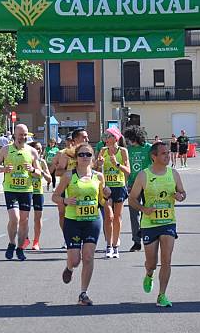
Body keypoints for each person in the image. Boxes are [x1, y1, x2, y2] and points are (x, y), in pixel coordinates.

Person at [129, 142, 187, 307]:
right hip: (149, 224)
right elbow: (132, 199)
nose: (167, 156)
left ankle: (162, 295)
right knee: (152, 262)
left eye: (168, 153)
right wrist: (143, 209)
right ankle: (149, 274)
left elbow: (183, 193)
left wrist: (180, 196)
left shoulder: (173, 174)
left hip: (168, 222)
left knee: (166, 259)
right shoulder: (143, 175)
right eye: (163, 153)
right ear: (153, 156)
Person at [52, 143, 110, 306]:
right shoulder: (69, 176)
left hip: (92, 220)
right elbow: (55, 196)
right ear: (76, 158)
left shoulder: (98, 177)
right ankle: (69, 268)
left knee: (88, 257)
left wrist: (106, 194)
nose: (85, 158)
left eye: (88, 155)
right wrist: (65, 200)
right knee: (75, 260)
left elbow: (102, 201)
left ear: (93, 158)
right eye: (82, 155)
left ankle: (83, 293)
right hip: (73, 221)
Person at [0, 123, 41, 261]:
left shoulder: (32, 151)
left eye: (25, 135)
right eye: (20, 135)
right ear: (14, 135)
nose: (23, 137)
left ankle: (20, 248)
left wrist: (32, 170)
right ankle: (12, 243)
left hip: (26, 190)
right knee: (15, 218)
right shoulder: (6, 150)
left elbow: (39, 173)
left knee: (24, 221)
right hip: (11, 189)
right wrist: (4, 169)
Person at [97, 128, 130, 258]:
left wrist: (116, 164)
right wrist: (99, 164)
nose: (105, 138)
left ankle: (116, 245)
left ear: (115, 138)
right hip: (107, 188)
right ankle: (109, 245)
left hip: (119, 187)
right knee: (108, 216)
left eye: (108, 136)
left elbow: (128, 170)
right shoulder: (103, 150)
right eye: (105, 136)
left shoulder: (122, 151)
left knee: (117, 217)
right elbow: (96, 168)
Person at [124, 126, 152, 252]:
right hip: (132, 185)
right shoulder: (128, 150)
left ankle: (146, 233)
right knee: (133, 213)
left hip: (148, 184)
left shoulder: (148, 148)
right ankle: (136, 241)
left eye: (130, 138)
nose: (128, 141)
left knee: (147, 211)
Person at [23, 141, 52, 250]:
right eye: (37, 148)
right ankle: (25, 239)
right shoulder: (25, 160)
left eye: (40, 149)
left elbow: (49, 179)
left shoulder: (42, 161)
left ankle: (36, 242)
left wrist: (41, 172)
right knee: (24, 218)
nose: (39, 151)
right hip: (26, 191)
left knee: (38, 218)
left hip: (38, 192)